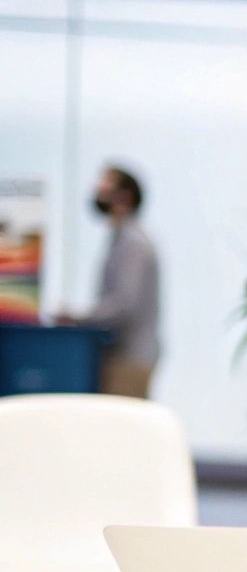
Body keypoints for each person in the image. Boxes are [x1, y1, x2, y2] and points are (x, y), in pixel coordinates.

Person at [55, 166, 160, 398]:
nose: (98, 190)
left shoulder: (133, 243)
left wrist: (77, 316)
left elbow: (123, 305)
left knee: (124, 430)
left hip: (130, 357)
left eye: (106, 185)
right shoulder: (122, 239)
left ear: (125, 196)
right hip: (122, 354)